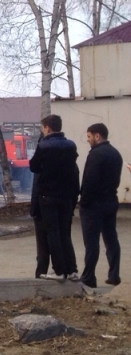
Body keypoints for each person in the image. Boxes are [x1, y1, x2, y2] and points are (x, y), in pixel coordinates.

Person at [29, 114, 80, 281]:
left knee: (52, 233)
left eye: (42, 128)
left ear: (47, 128)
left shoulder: (44, 146)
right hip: (65, 195)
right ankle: (72, 269)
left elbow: (34, 166)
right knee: (65, 232)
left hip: (47, 195)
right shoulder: (70, 146)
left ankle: (58, 270)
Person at [79, 123, 122, 288]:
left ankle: (89, 276)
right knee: (111, 239)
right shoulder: (115, 154)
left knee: (91, 242)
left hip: (93, 205)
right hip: (111, 201)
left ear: (97, 136)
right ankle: (114, 274)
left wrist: (84, 202)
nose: (88, 140)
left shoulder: (96, 154)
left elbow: (89, 180)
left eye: (89, 137)